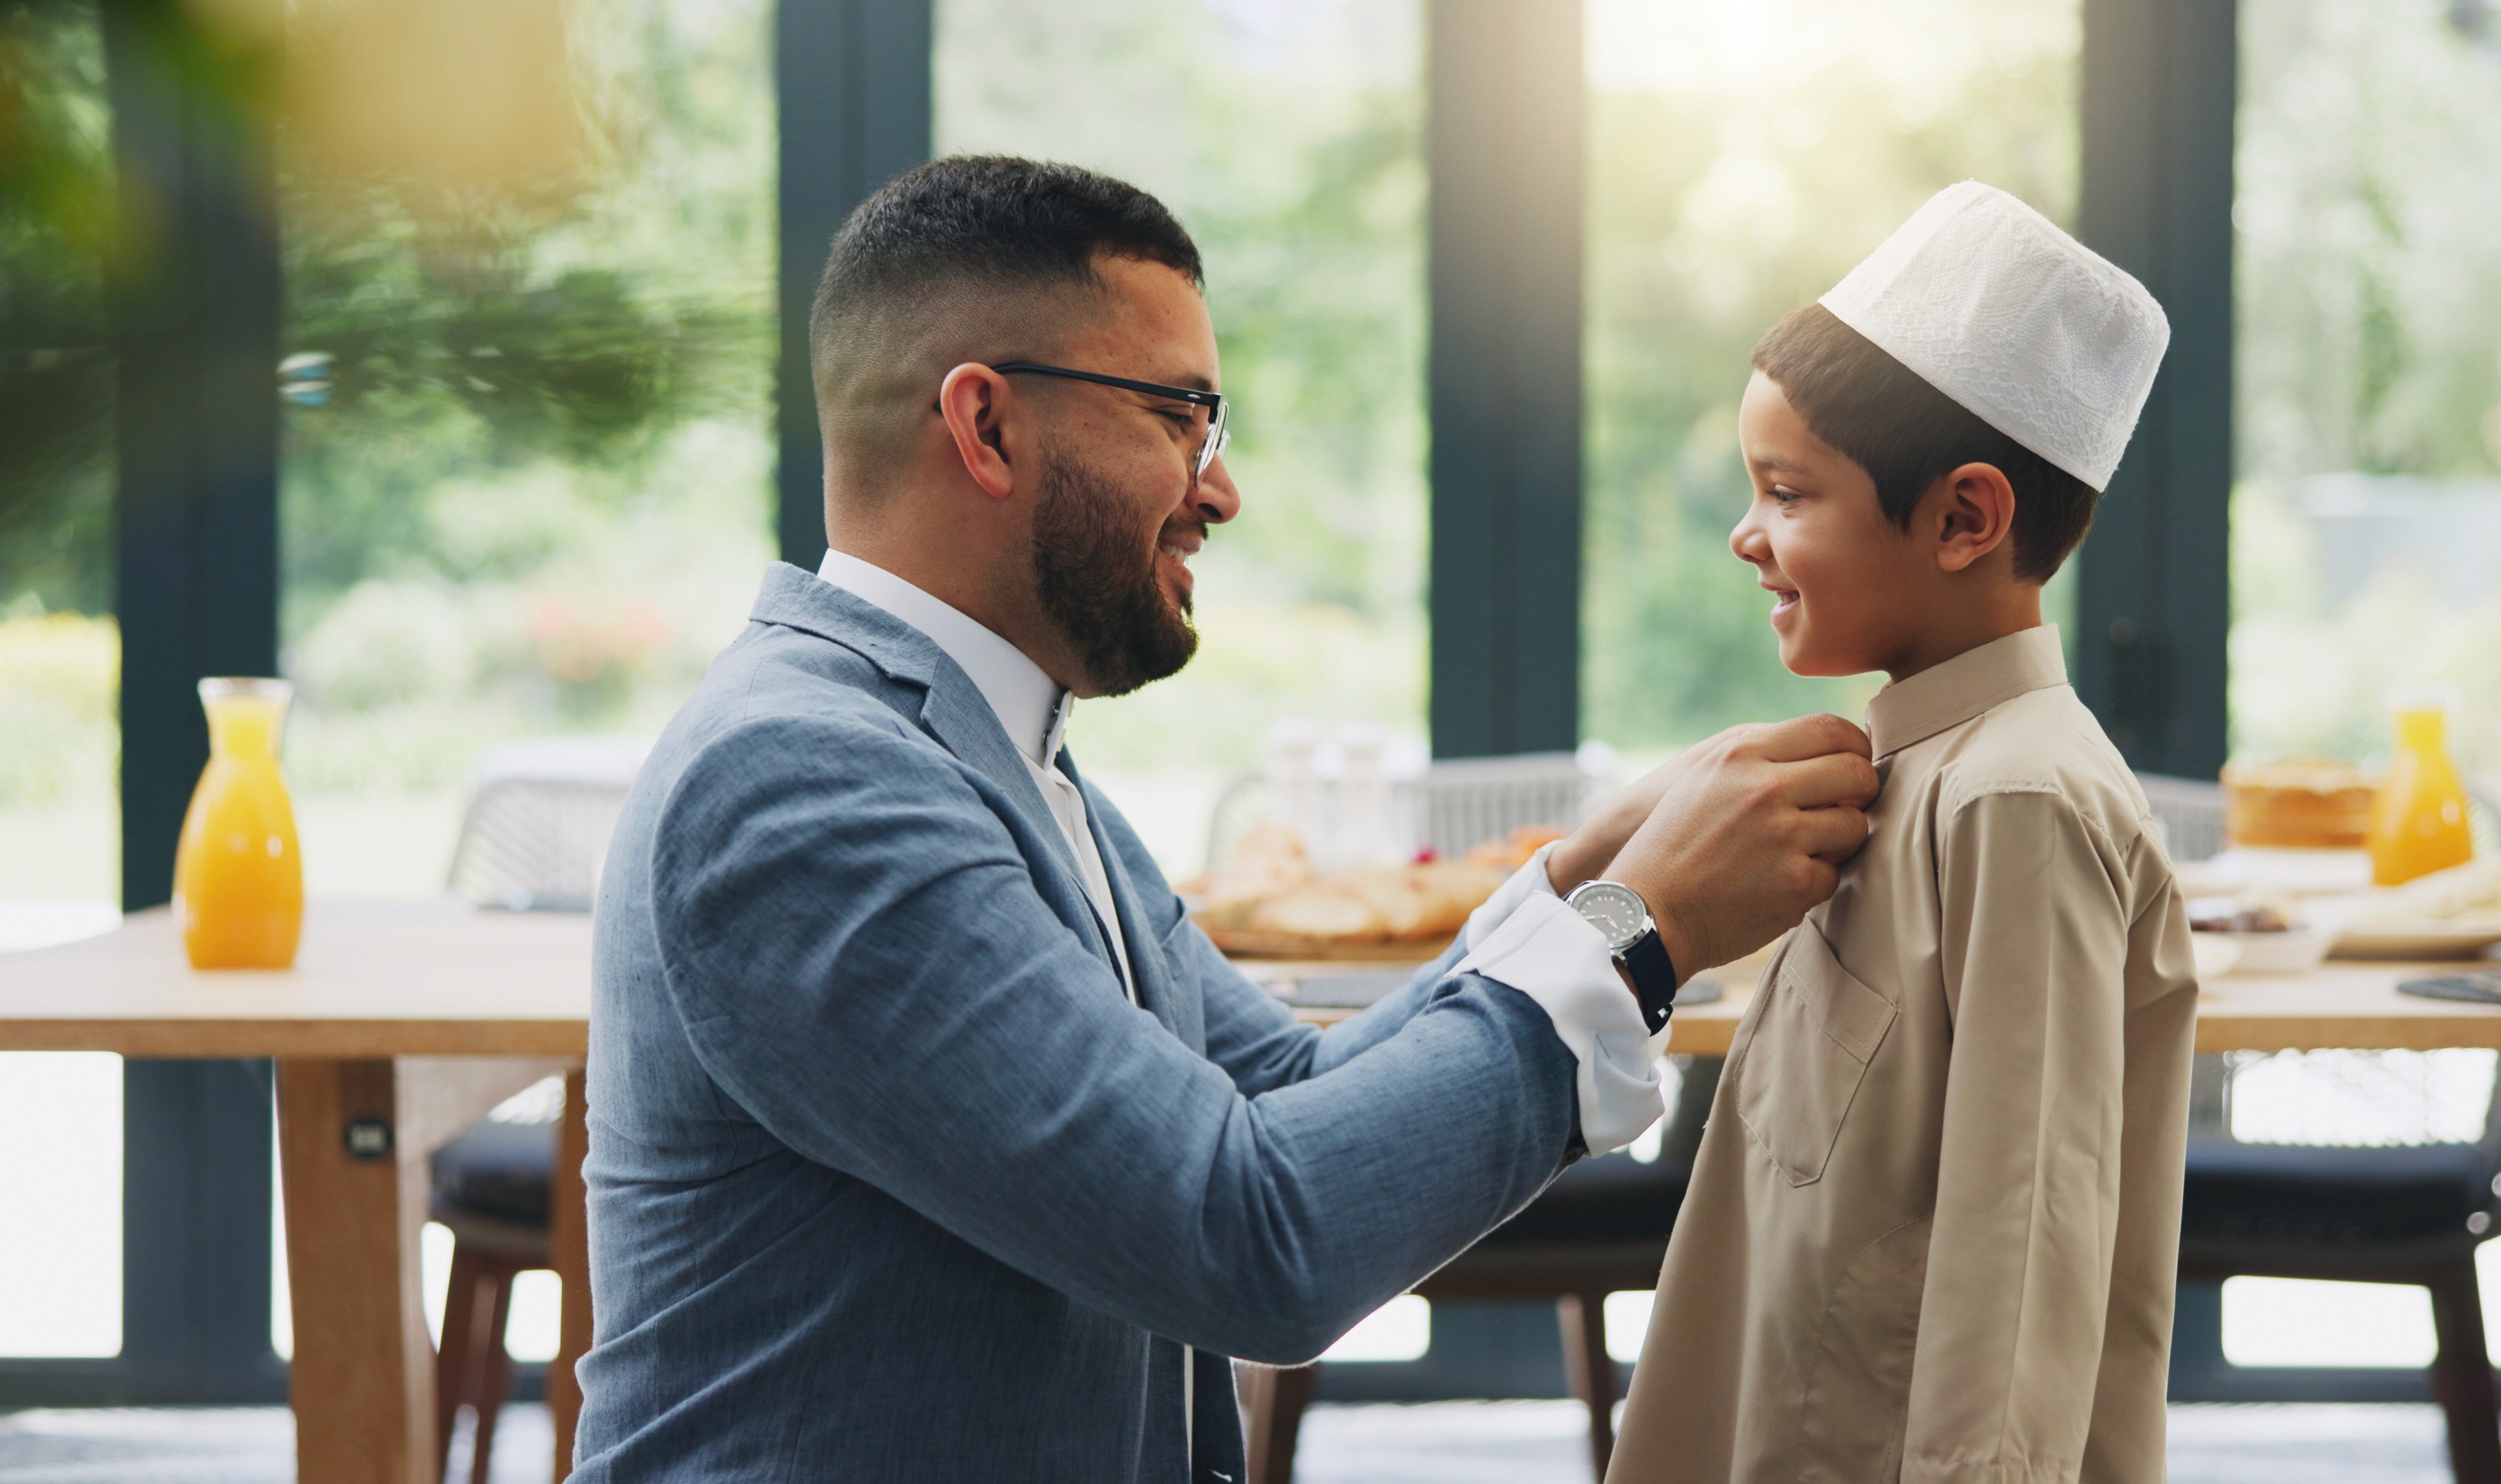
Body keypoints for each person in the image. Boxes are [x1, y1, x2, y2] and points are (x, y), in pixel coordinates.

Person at [568, 155, 1881, 1482]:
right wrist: (1637, 935)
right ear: (987, 426)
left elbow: (1292, 1096)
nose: (1220, 487)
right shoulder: (802, 782)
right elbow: (1249, 1236)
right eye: (1182, 416)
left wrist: (1575, 877)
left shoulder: (1000, 756)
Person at [1605, 181, 2201, 1484]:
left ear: (1964, 519)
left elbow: (2021, 1246)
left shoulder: (2017, 799)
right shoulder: (1902, 770)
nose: (1745, 534)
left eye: (1789, 492)